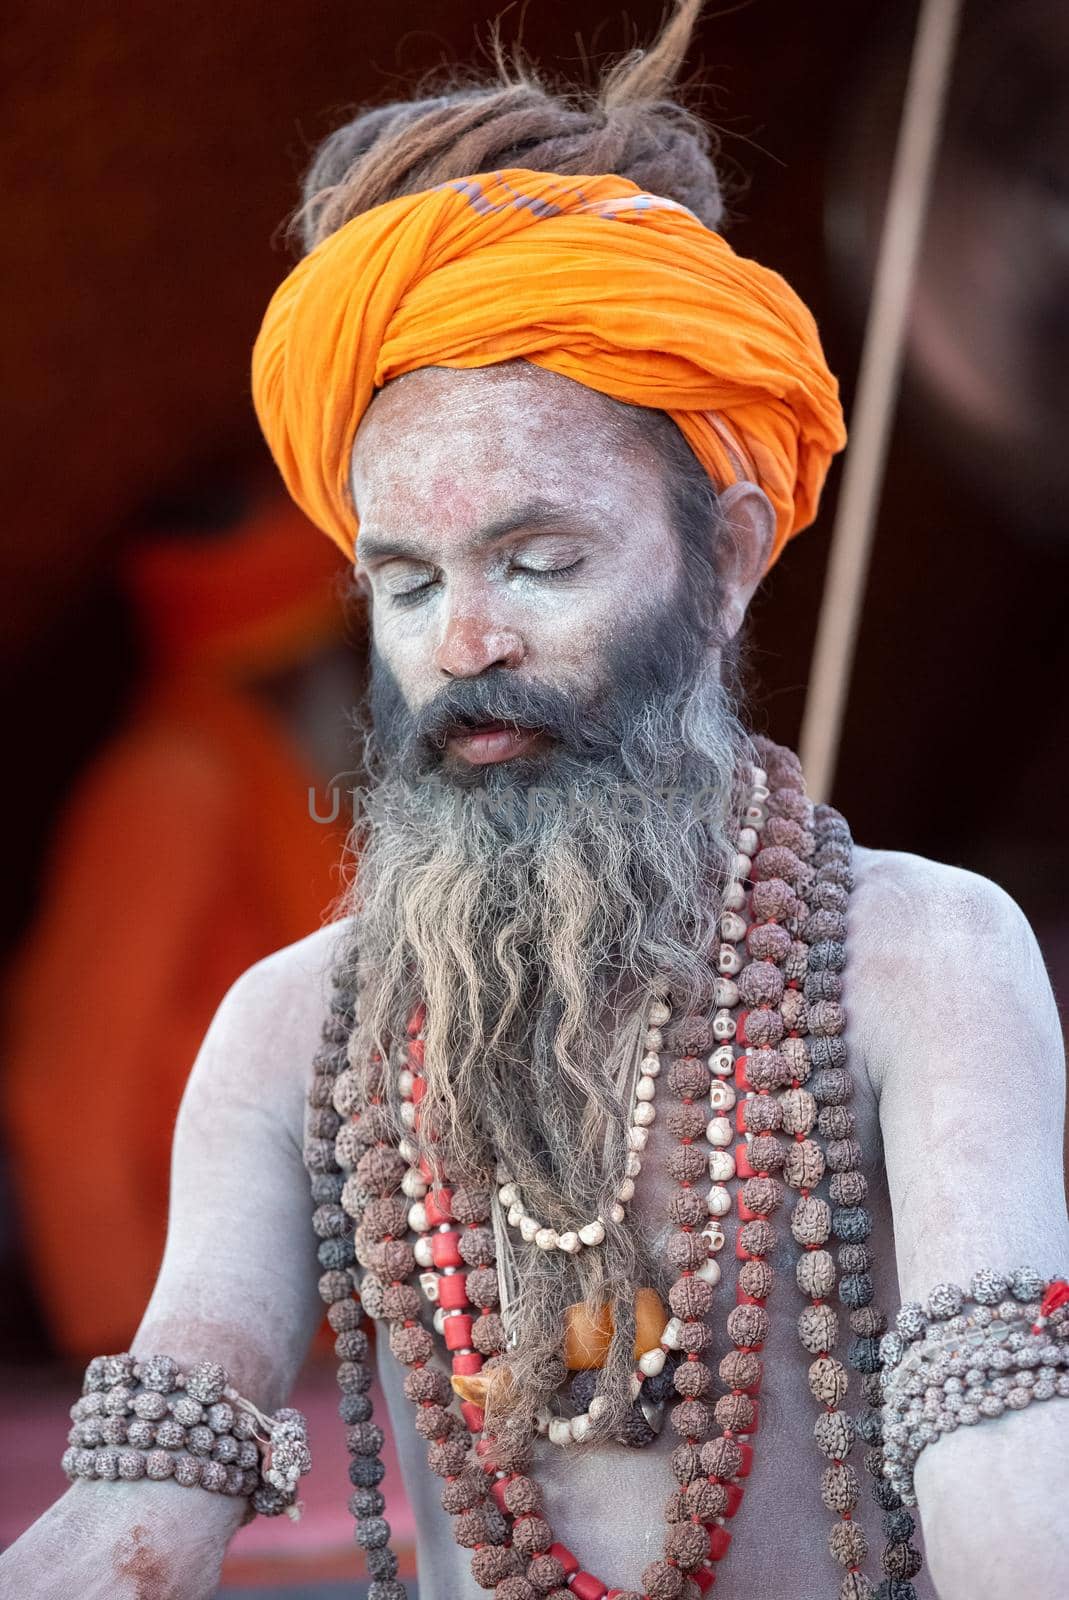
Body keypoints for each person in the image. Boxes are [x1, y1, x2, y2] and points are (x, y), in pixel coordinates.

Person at [3, 4, 1066, 1598]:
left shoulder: (921, 960)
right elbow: (156, 1479)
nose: (464, 643)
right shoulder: (296, 1033)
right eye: (407, 582)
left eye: (541, 562)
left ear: (724, 557)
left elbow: (998, 1440)